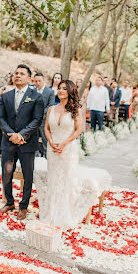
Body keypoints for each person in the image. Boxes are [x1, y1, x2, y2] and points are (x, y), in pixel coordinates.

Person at [0, 64, 44, 220]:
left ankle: (23, 206)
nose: (18, 75)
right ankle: (9, 201)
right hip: (8, 141)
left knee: (27, 176)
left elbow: (37, 119)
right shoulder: (5, 95)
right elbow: (0, 117)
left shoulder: (36, 96)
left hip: (27, 143)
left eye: (22, 73)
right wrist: (11, 134)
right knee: (6, 174)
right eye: (16, 73)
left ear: (29, 78)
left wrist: (22, 135)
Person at [41, 80, 88, 228]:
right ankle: (52, 211)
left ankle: (65, 213)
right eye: (59, 88)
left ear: (70, 91)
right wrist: (50, 141)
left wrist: (64, 143)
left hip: (68, 149)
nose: (60, 91)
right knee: (54, 179)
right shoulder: (51, 109)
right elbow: (47, 128)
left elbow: (78, 130)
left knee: (66, 180)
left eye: (64, 89)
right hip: (52, 148)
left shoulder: (76, 110)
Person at [34, 72, 55, 157]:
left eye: (39, 81)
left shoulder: (50, 92)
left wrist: (41, 114)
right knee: (33, 137)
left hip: (44, 119)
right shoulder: (32, 91)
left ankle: (47, 154)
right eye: (35, 81)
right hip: (33, 119)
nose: (37, 83)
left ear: (43, 81)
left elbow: (51, 105)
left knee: (45, 137)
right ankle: (34, 153)